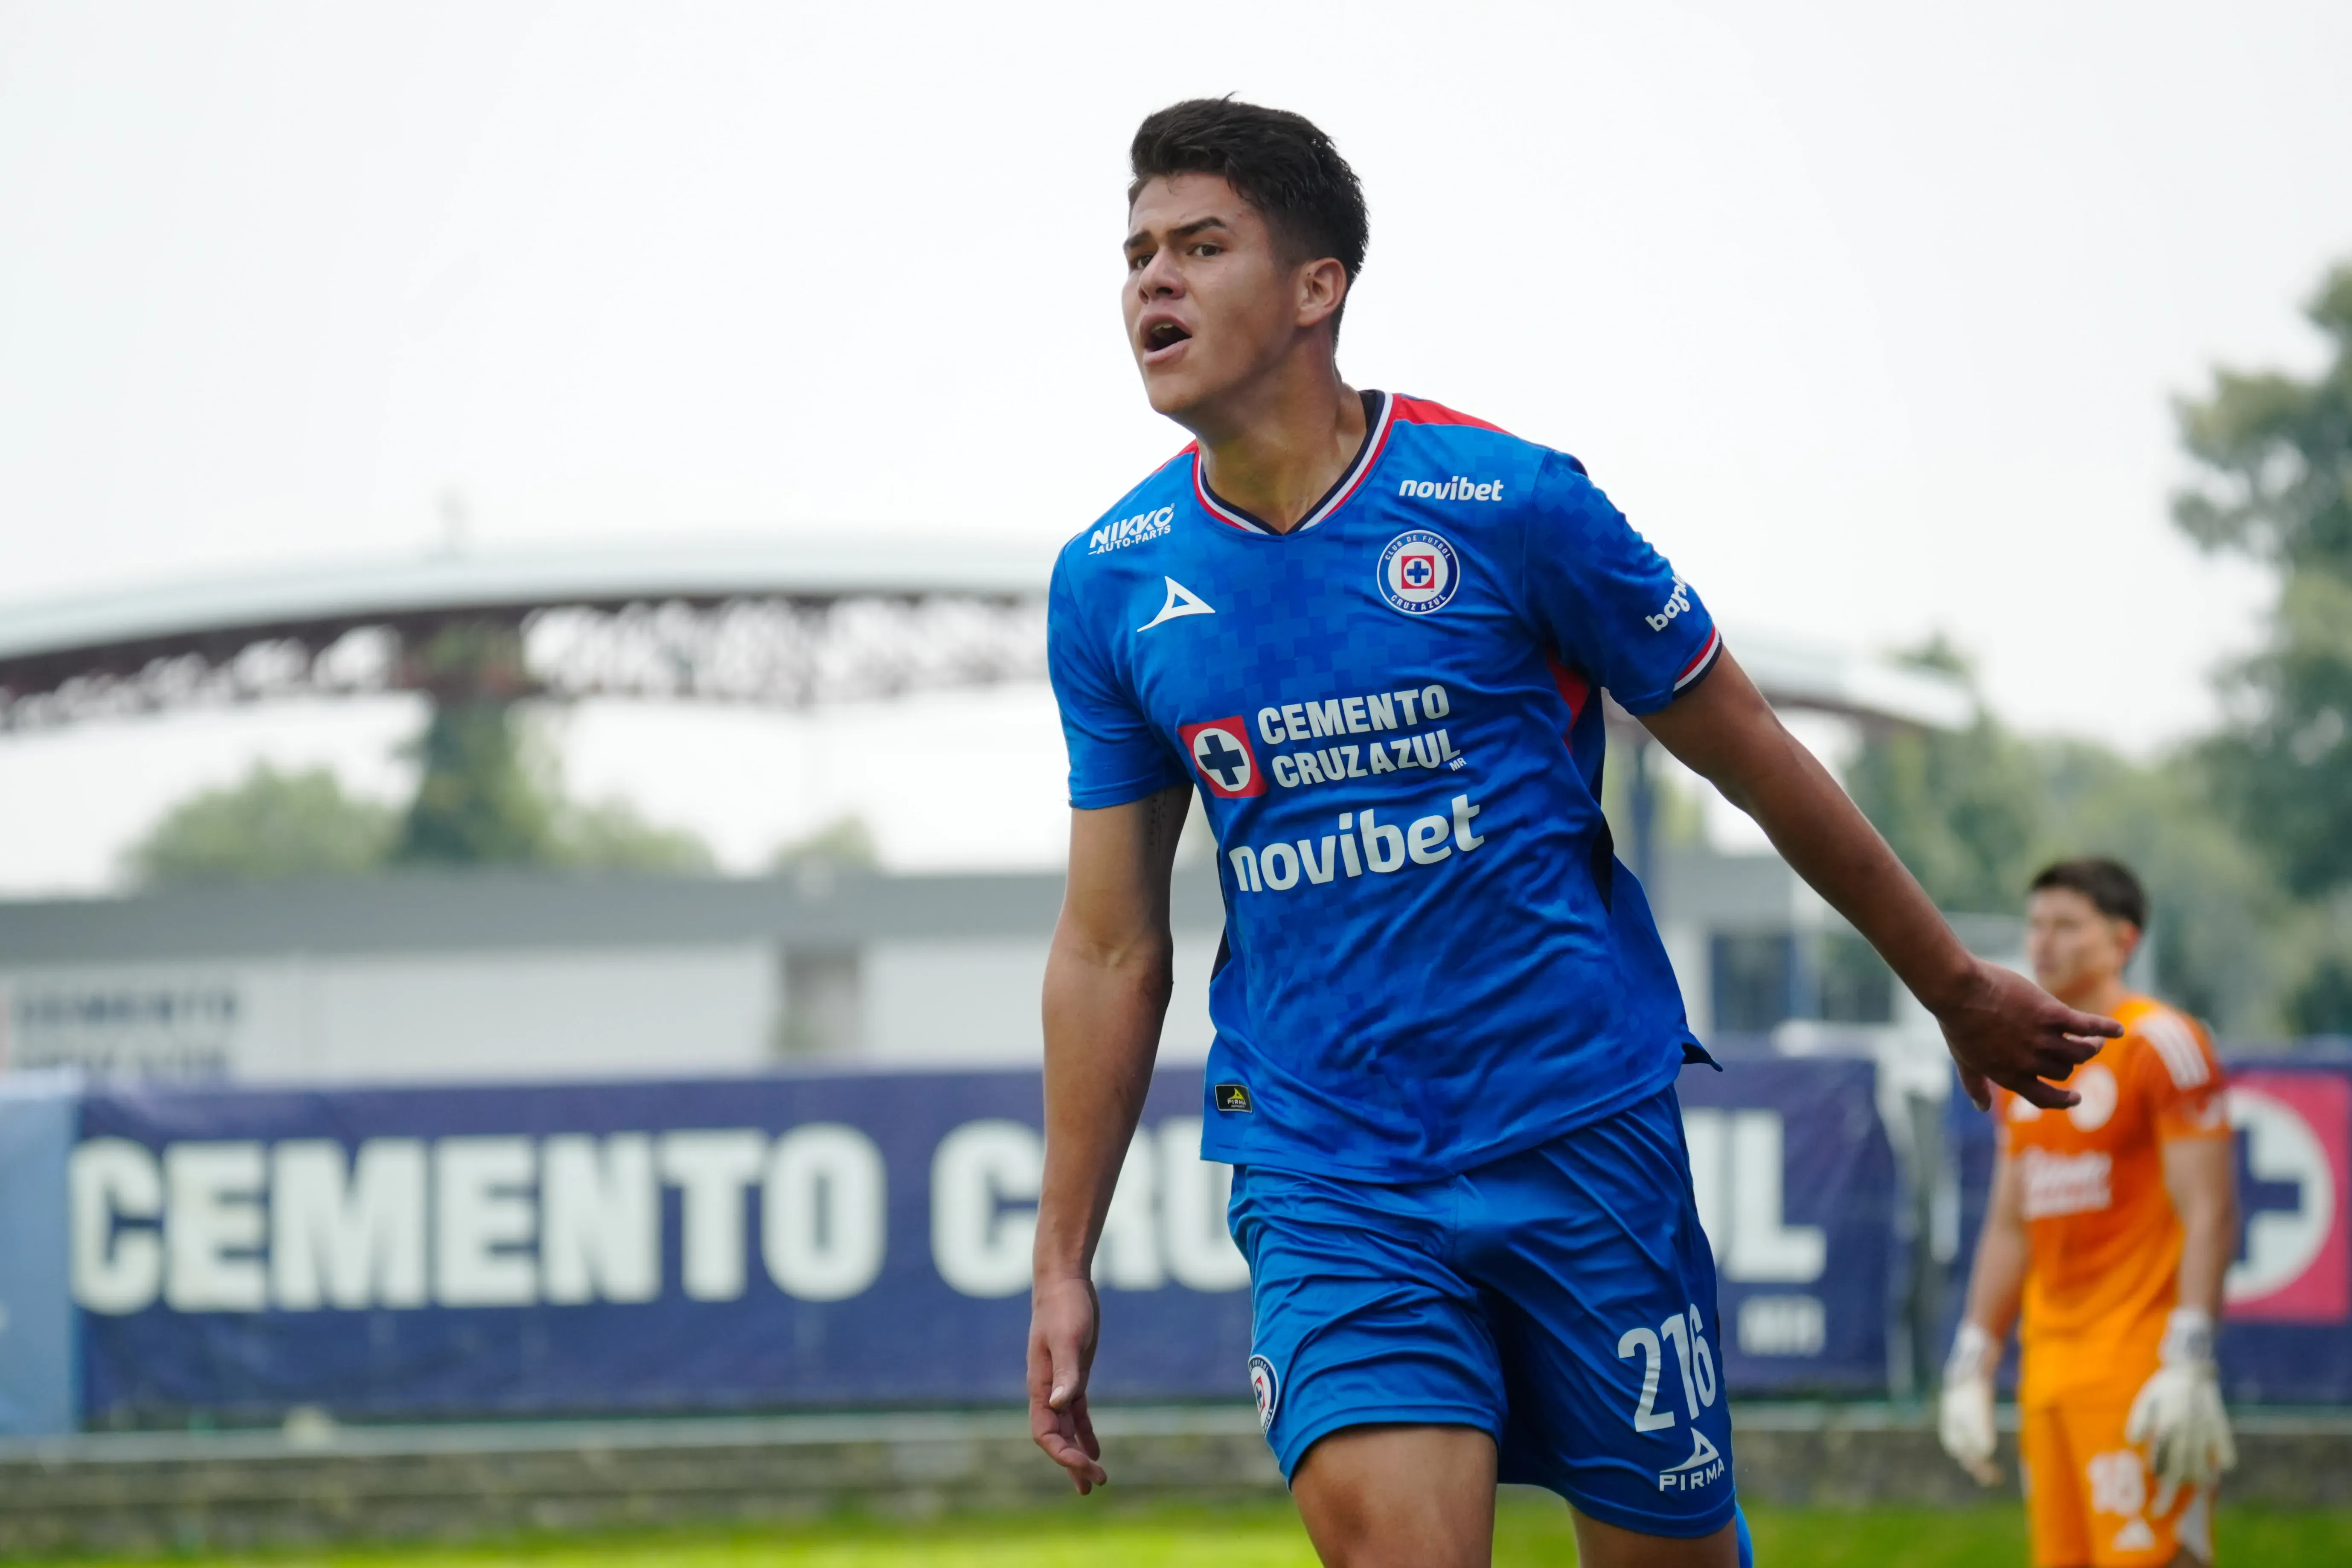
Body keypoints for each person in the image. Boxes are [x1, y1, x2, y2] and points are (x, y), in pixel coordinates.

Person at [1030, 96, 2117, 1568]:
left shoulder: (1513, 505)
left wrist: (1955, 984)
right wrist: (1061, 1258)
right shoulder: (1112, 582)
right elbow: (1109, 944)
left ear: (1315, 287)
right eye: (1137, 252)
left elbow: (1755, 752)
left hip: (1577, 1128)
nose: (1151, 281)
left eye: (1200, 245)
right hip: (1328, 1161)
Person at [1939, 858, 2239, 1567]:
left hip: (2140, 1367)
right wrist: (1973, 1359)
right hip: (2048, 1372)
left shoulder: (2161, 1041)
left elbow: (2212, 1207)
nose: (2044, 942)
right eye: (2036, 924)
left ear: (2122, 940)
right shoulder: (2025, 1058)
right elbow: (2012, 1221)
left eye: (2068, 925)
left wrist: (2190, 1357)